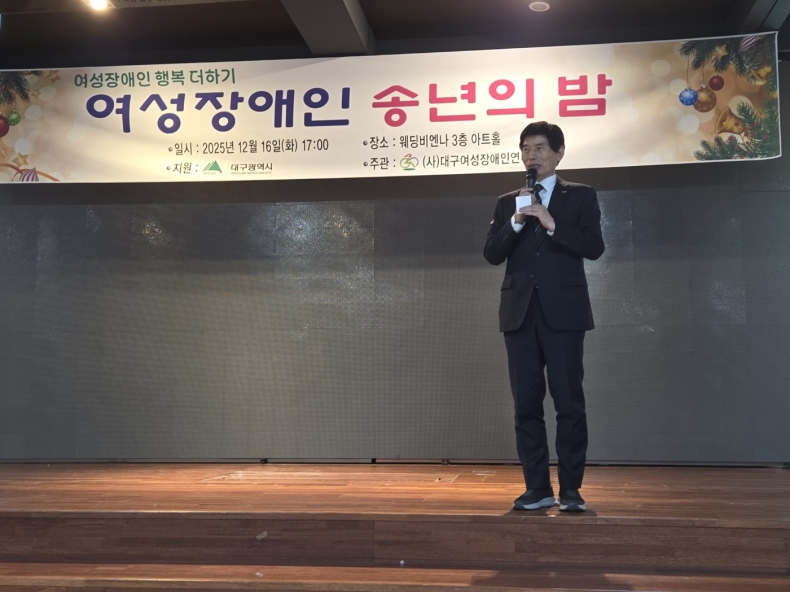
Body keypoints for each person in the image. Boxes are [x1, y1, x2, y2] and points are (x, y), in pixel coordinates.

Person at [484, 121, 604, 512]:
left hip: (564, 315)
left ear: (558, 152)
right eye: (525, 149)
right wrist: (516, 222)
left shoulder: (581, 195)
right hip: (520, 315)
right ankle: (537, 488)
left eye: (539, 148)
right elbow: (492, 253)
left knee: (569, 403)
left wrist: (553, 225)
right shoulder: (508, 201)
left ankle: (570, 490)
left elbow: (594, 246)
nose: (531, 156)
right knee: (525, 406)